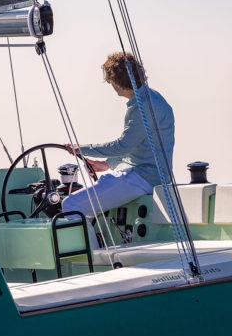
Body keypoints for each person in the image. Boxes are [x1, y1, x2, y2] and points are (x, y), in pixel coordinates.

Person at [62, 52, 175, 220]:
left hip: (143, 178)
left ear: (116, 82)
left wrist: (81, 149)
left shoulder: (142, 106)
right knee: (85, 206)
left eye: (110, 81)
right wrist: (106, 164)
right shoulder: (153, 98)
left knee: (70, 205)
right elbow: (138, 146)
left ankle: (93, 248)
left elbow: (123, 146)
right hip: (150, 176)